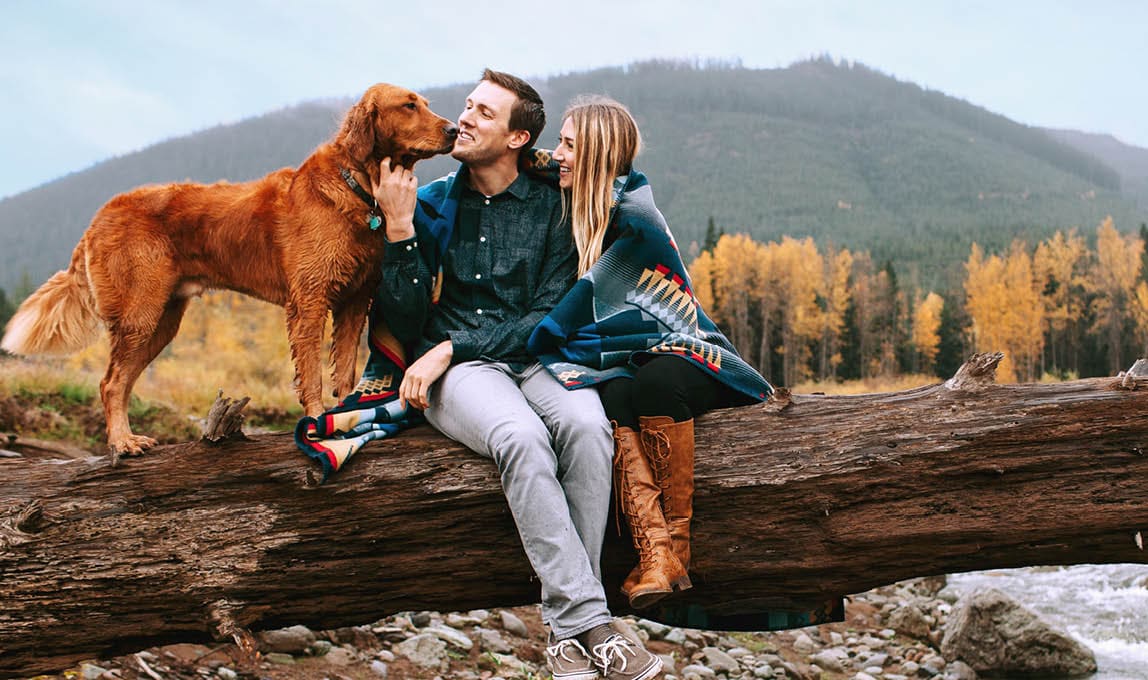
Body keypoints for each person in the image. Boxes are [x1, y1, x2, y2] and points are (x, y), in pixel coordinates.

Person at [371, 71, 663, 680]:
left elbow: (545, 314)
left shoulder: (551, 205)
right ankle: (595, 625)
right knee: (521, 438)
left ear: (516, 138)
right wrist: (398, 231)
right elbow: (399, 316)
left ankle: (564, 634)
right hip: (461, 376)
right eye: (469, 106)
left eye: (483, 113)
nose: (465, 118)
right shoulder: (428, 205)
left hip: (529, 357)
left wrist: (450, 344)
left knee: (587, 427)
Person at [527, 96, 774, 610]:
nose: (559, 154)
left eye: (571, 145)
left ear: (596, 155)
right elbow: (537, 165)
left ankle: (673, 554)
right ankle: (653, 550)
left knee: (655, 383)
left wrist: (546, 331)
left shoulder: (635, 217)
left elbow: (588, 302)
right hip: (630, 360)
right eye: (560, 144)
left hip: (688, 352)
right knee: (612, 389)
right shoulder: (587, 197)